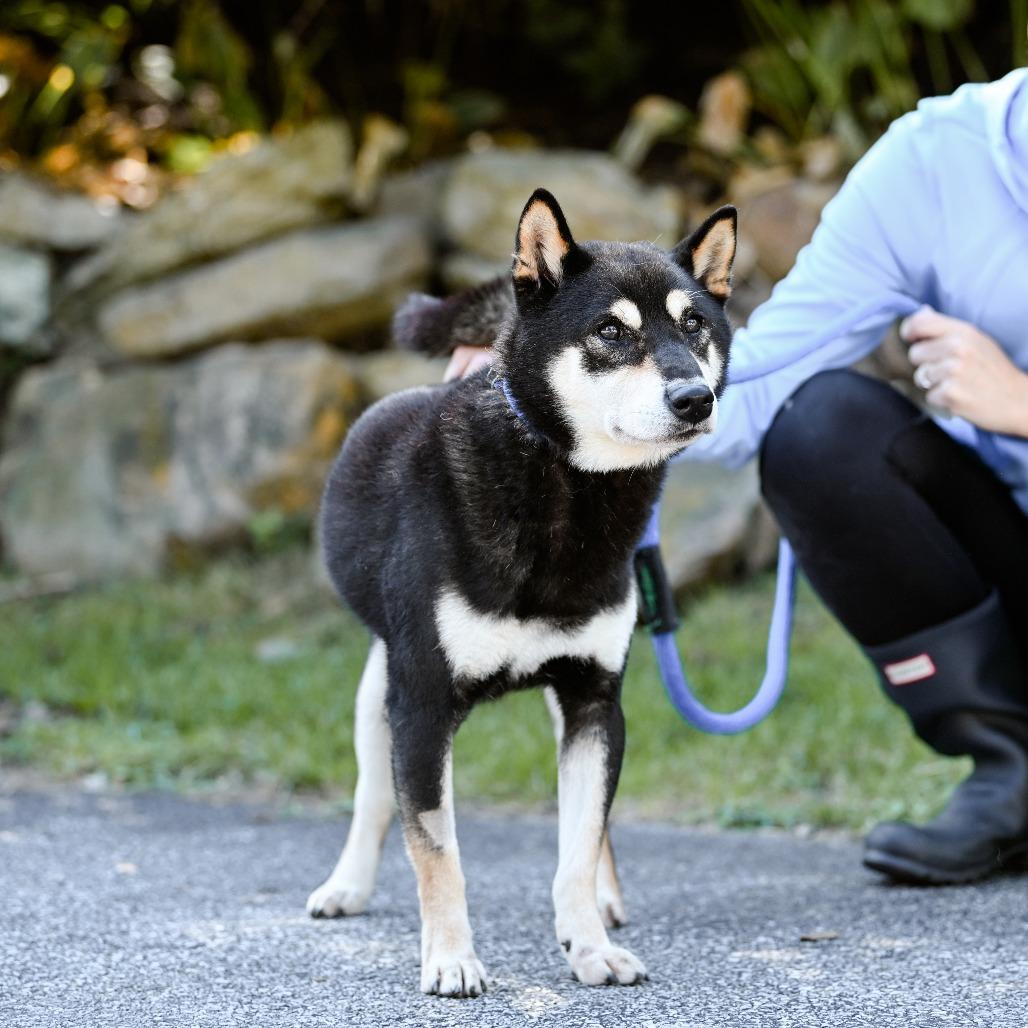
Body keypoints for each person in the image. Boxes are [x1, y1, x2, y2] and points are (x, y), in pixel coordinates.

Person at [445, 68, 1028, 884]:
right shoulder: (934, 164)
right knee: (823, 430)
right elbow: (750, 381)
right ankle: (1011, 767)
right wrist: (531, 389)